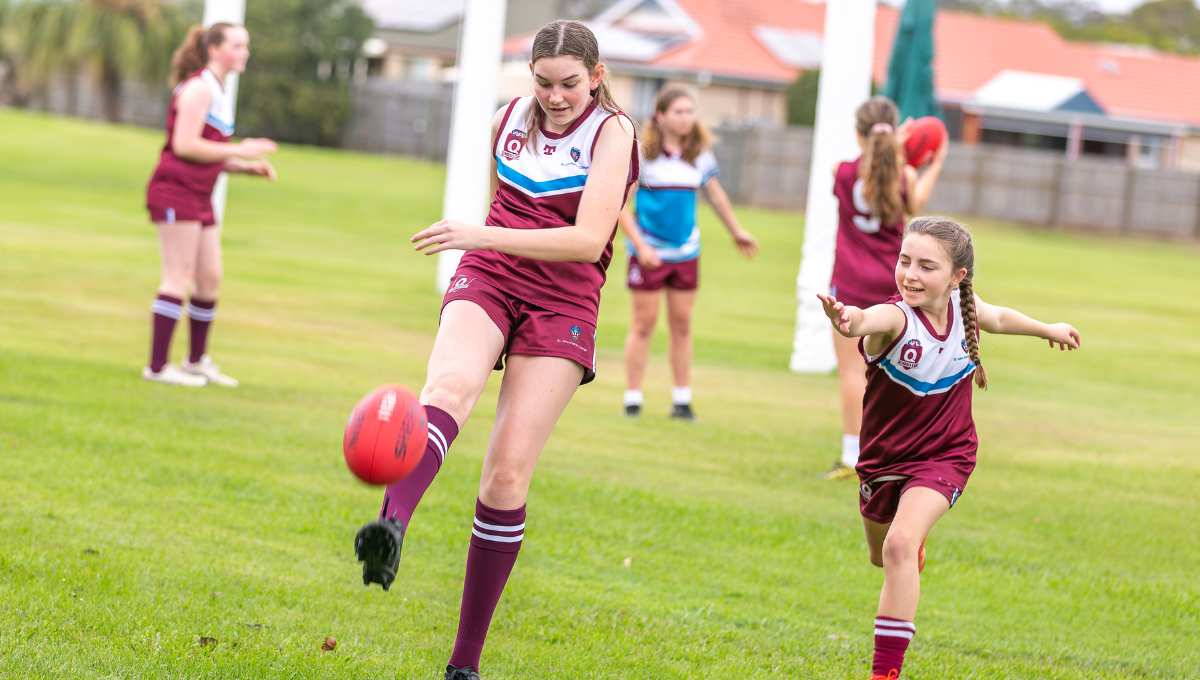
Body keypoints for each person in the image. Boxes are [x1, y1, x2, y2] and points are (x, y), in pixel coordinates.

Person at [352, 20, 638, 680]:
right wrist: (484, 241)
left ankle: (464, 665)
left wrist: (480, 233)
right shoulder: (510, 116)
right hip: (492, 273)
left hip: (564, 298)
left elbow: (587, 240)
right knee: (447, 390)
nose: (556, 96)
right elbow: (502, 204)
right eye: (544, 82)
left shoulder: (613, 132)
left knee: (506, 475)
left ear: (595, 77)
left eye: (570, 83)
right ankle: (390, 525)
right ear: (529, 76)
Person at [818, 216, 1081, 679]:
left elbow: (998, 317)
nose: (910, 275)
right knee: (881, 555)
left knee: (899, 546)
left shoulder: (965, 307)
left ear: (957, 276)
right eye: (904, 261)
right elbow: (865, 318)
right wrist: (847, 319)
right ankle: (910, 545)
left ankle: (885, 673)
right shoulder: (896, 318)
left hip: (946, 455)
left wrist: (1048, 328)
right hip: (883, 461)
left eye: (926, 266)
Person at [143, 22, 276, 387]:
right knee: (178, 276)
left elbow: (206, 152)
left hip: (199, 195)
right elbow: (184, 145)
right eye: (237, 45)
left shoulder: (217, 90)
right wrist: (240, 148)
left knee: (209, 278)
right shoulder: (199, 89)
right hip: (175, 192)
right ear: (214, 49)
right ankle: (157, 368)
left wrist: (244, 167)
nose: (244, 52)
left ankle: (195, 361)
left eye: (245, 45)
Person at [825, 96, 947, 479]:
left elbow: (863, 172)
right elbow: (917, 205)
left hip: (849, 283)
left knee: (851, 372)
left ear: (858, 133)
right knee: (895, 374)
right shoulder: (904, 177)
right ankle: (897, 455)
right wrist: (934, 160)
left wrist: (890, 145)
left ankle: (851, 455)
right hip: (892, 287)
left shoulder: (842, 171)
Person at [619, 87, 757, 420]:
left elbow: (717, 196)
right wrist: (640, 246)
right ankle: (633, 398)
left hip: (685, 253)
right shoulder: (643, 154)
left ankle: (682, 400)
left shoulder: (700, 154)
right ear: (661, 115)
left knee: (682, 325)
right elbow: (621, 205)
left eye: (690, 111)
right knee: (644, 324)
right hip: (649, 252)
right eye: (678, 111)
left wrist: (736, 231)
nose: (686, 118)